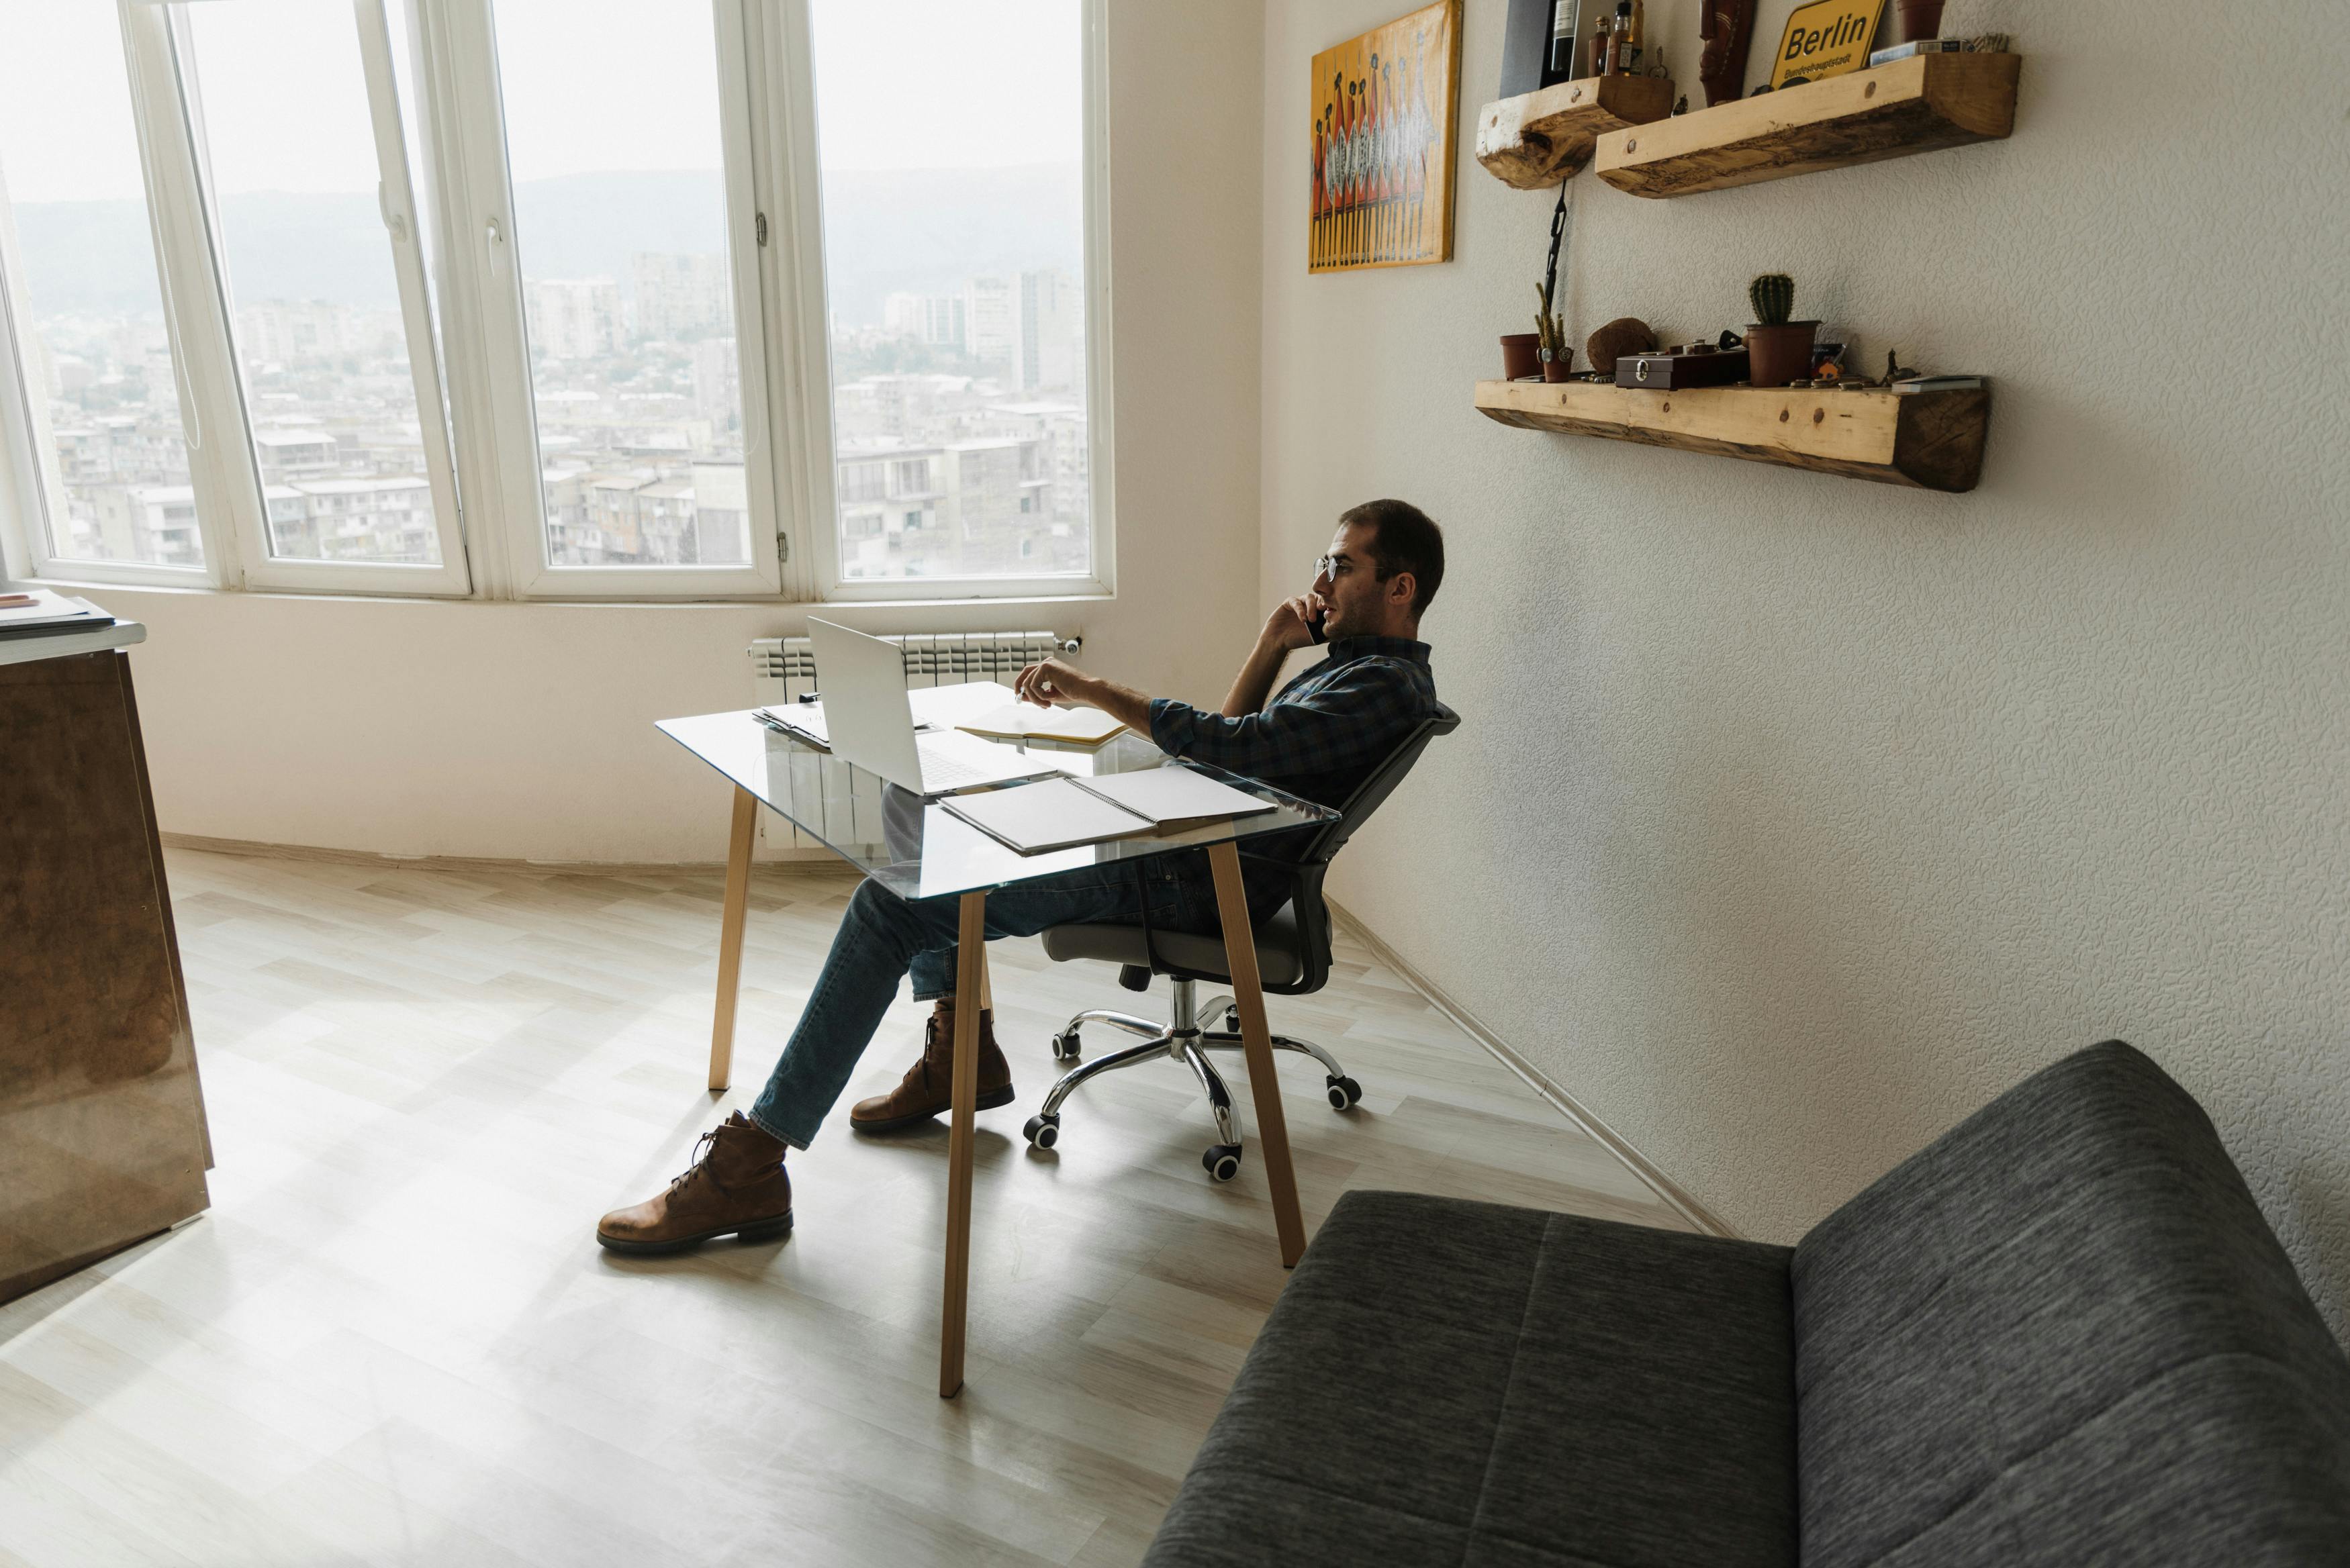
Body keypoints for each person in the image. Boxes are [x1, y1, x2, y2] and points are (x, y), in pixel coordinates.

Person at [595, 499, 1446, 1254]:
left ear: (1399, 586)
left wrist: (1091, 687)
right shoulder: (1351, 664)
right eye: (1321, 564)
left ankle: (752, 1161)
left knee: (888, 904)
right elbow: (1233, 739)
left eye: (1341, 564)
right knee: (917, 826)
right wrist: (1270, 643)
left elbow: (1226, 750)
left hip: (1187, 876)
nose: (1321, 580)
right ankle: (957, 1058)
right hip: (1180, 840)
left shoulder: (1381, 688)